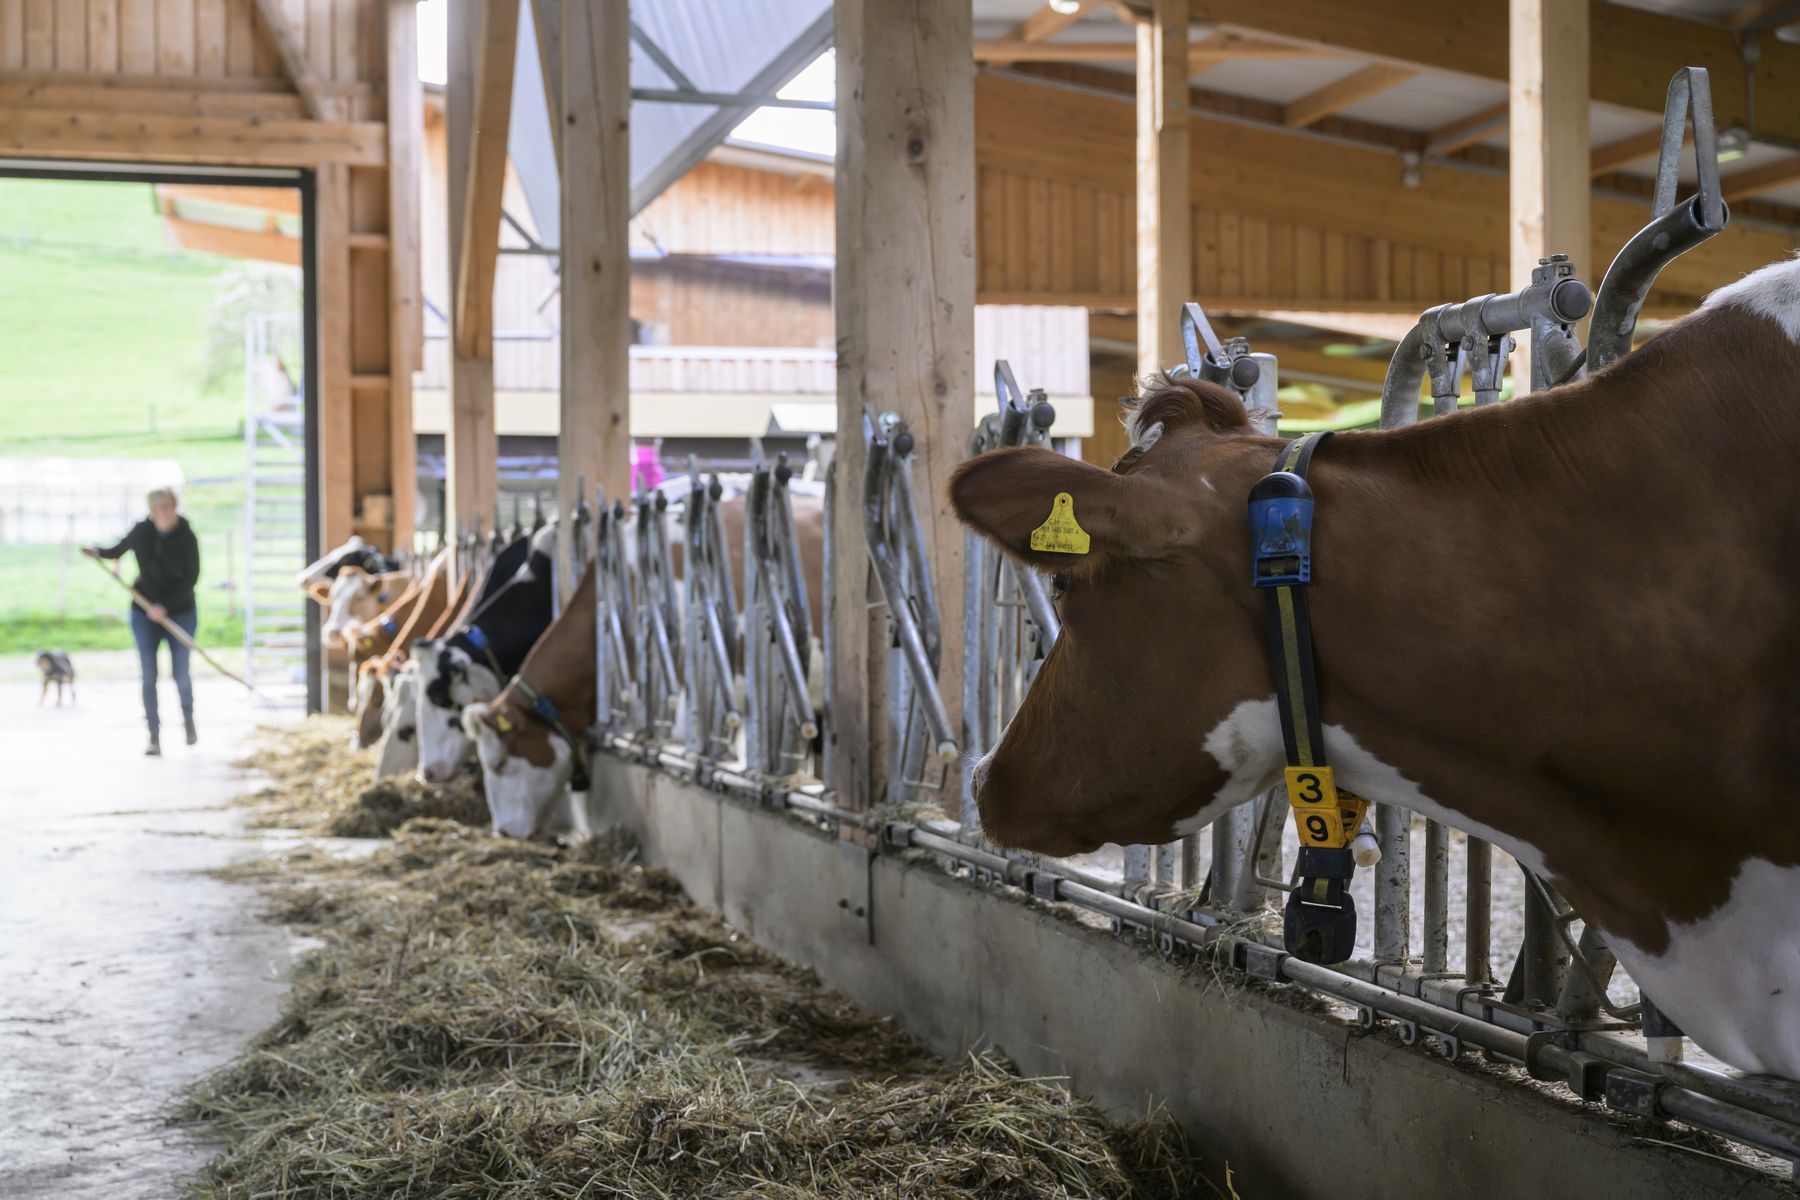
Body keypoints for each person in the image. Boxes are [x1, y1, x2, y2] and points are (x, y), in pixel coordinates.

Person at [84, 488, 201, 756]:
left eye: (171, 507)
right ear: (153, 511)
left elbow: (192, 577)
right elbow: (117, 551)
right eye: (162, 508)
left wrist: (166, 607)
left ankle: (188, 720)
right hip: (143, 610)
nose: (168, 513)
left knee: (180, 673)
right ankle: (154, 736)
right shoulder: (141, 531)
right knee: (149, 675)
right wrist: (98, 552)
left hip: (180, 610)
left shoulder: (186, 535)